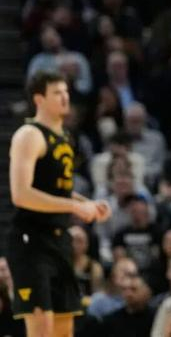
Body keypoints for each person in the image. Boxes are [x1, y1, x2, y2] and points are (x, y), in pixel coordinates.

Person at [7, 70, 112, 337]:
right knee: (42, 331)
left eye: (66, 92)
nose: (65, 98)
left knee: (64, 330)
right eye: (57, 93)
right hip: (32, 242)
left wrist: (88, 203)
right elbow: (21, 194)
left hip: (60, 241)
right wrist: (75, 208)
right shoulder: (29, 134)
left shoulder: (64, 136)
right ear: (39, 99)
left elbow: (57, 191)